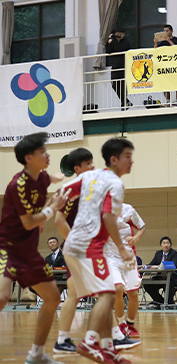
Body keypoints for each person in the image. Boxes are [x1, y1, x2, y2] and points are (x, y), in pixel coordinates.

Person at [61, 138, 136, 364]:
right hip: (88, 246)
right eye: (127, 157)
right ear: (113, 160)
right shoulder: (115, 184)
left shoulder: (87, 176)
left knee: (106, 294)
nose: (131, 161)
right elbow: (108, 217)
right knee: (109, 294)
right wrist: (123, 249)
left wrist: (47, 214)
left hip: (74, 245)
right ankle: (90, 342)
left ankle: (107, 348)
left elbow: (63, 191)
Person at [0, 133, 67, 364]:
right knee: (2, 297)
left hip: (29, 253)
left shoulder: (42, 178)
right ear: (29, 158)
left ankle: (36, 354)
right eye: (42, 152)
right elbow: (29, 222)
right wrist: (53, 207)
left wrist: (59, 180)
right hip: (7, 249)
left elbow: (51, 178)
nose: (47, 155)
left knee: (53, 297)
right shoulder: (17, 184)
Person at [105, 203, 146, 339]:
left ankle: (131, 324)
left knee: (133, 293)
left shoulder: (128, 209)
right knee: (118, 289)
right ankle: (121, 323)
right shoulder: (98, 211)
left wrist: (136, 238)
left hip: (129, 257)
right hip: (111, 257)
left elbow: (142, 227)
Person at [144, 236, 177, 308]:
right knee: (147, 285)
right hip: (160, 277)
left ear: (171, 245)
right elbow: (151, 264)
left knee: (169, 285)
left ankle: (168, 302)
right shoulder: (158, 253)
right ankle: (160, 301)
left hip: (173, 278)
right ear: (161, 246)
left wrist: (159, 266)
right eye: (164, 243)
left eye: (168, 243)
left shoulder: (175, 253)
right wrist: (144, 266)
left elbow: (174, 265)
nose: (166, 245)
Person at [154, 24, 177, 106]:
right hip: (165, 64)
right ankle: (167, 100)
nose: (165, 32)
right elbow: (156, 51)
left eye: (167, 31)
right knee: (165, 83)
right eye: (164, 31)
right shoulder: (162, 42)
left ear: (171, 31)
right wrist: (156, 43)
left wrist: (169, 41)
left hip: (176, 64)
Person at [106, 27, 132, 109]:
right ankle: (125, 101)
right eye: (117, 34)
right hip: (115, 66)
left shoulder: (126, 43)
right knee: (114, 85)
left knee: (123, 85)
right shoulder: (113, 42)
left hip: (124, 66)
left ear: (124, 34)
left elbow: (119, 49)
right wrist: (109, 42)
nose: (119, 35)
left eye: (121, 34)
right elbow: (108, 51)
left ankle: (124, 103)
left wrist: (113, 42)